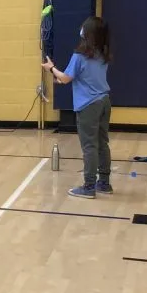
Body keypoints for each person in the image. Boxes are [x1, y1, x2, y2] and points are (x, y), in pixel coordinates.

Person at [43, 17, 112, 199]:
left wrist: (51, 68)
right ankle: (104, 183)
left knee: (89, 146)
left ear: (87, 33)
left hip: (89, 105)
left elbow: (66, 78)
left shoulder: (80, 56)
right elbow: (84, 77)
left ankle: (89, 186)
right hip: (104, 102)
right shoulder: (102, 54)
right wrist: (63, 79)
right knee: (102, 143)